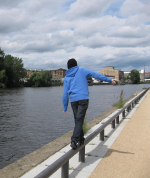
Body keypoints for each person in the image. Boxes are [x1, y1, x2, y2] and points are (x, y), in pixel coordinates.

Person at [62, 58, 116, 149]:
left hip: (73, 100)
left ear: (68, 67)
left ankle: (80, 138)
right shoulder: (81, 70)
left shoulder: (67, 77)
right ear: (76, 65)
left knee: (78, 120)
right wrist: (109, 80)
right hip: (83, 98)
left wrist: (65, 106)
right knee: (79, 120)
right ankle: (74, 140)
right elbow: (95, 74)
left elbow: (65, 93)